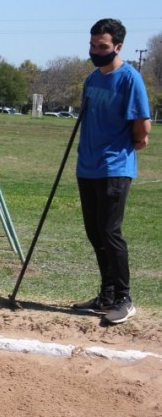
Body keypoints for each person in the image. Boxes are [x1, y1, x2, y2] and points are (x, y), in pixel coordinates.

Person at [70, 18, 151, 324]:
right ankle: (106, 295)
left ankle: (124, 299)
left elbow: (142, 129)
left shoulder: (129, 78)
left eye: (101, 46)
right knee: (95, 232)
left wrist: (125, 146)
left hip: (114, 168)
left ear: (118, 47)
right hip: (87, 167)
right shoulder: (91, 80)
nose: (95, 51)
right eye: (92, 45)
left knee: (110, 231)